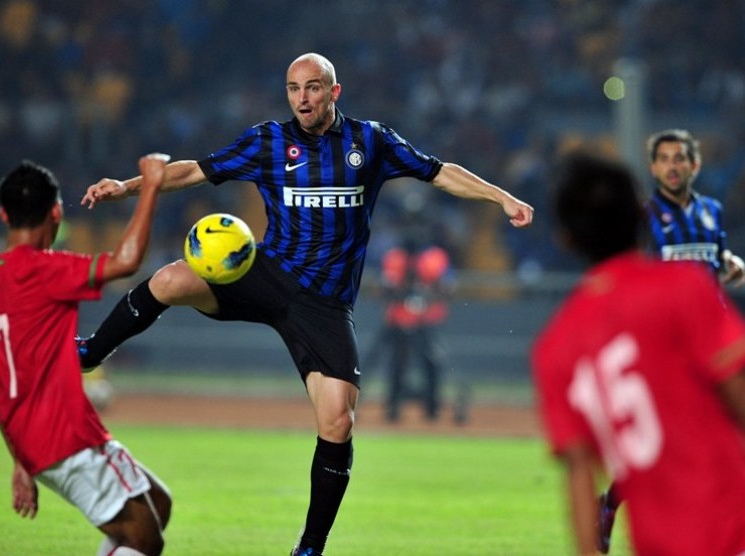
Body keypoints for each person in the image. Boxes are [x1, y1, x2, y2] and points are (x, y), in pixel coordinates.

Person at [78, 52, 534, 555]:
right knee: (169, 279)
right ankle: (92, 352)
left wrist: (501, 198)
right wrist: (129, 188)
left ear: (334, 92)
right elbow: (195, 171)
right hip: (267, 274)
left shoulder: (371, 141)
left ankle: (310, 548)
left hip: (324, 303)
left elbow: (439, 172)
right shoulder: (267, 141)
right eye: (294, 89)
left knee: (338, 419)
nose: (303, 99)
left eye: (313, 88)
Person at [532, 152, 745, 556]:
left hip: (659, 542)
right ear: (640, 216)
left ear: (566, 238)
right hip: (731, 528)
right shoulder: (683, 289)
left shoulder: (556, 344)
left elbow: (580, 474)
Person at [0, 155, 173, 556]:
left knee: (159, 504)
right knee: (145, 540)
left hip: (33, 440)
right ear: (55, 212)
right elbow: (126, 262)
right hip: (64, 434)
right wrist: (151, 185)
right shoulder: (44, 270)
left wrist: (19, 460)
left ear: (3, 214)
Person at [596, 128, 745, 553]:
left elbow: (713, 263)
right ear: (653, 167)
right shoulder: (643, 221)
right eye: (664, 159)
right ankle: (611, 506)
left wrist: (730, 264)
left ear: (694, 165)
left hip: (714, 348)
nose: (672, 166)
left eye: (680, 158)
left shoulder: (712, 213)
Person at [378, 232, 453, 422]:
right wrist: (404, 293)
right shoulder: (395, 258)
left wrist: (425, 296)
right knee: (398, 364)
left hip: (427, 320)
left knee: (432, 363)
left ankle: (432, 408)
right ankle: (393, 408)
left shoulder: (435, 258)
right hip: (399, 319)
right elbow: (387, 288)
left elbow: (445, 287)